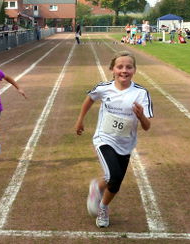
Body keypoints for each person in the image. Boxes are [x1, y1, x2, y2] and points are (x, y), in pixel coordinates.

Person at [75, 51, 153, 228]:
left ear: (134, 70)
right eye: (120, 67)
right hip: (104, 138)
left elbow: (147, 127)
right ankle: (103, 209)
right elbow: (89, 99)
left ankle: (100, 195)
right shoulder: (104, 88)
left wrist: (141, 117)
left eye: (128, 67)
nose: (124, 70)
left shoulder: (141, 94)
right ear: (112, 69)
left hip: (126, 143)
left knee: (115, 182)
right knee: (113, 175)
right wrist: (80, 119)